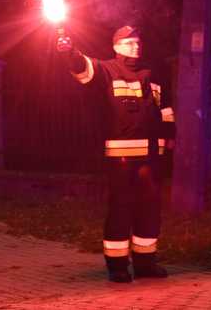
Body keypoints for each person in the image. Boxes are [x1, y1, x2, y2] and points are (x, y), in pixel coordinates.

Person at [57, 25, 175, 283]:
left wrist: (171, 137)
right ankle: (117, 265)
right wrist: (70, 51)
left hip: (152, 157)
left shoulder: (151, 73)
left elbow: (165, 109)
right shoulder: (106, 70)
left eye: (137, 42)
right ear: (116, 46)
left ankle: (145, 262)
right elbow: (82, 68)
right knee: (121, 208)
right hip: (120, 158)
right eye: (129, 42)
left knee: (150, 209)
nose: (136, 46)